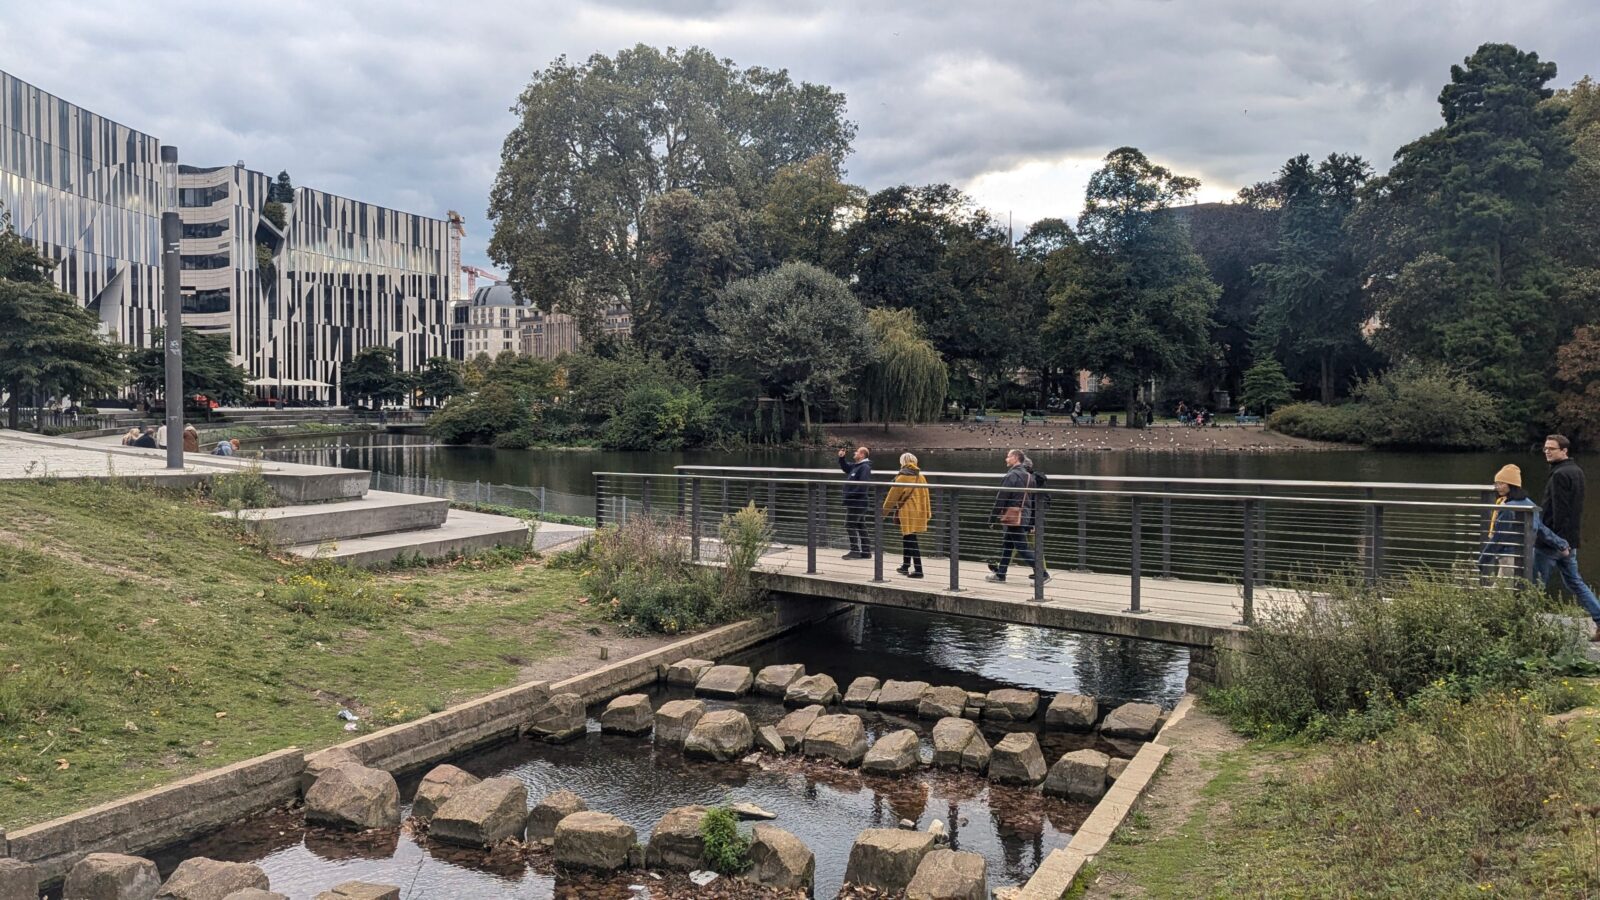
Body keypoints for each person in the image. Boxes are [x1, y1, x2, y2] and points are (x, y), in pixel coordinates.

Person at [1535, 435, 1600, 639]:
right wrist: (1569, 543)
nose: (1547, 451)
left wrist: (1557, 541)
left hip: (1553, 542)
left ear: (1564, 451)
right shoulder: (1576, 471)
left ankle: (1523, 628)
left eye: (1552, 449)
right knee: (1575, 582)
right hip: (1570, 541)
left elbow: (1560, 511)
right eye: (1545, 448)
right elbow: (1575, 511)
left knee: (1534, 585)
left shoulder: (1560, 475)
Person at [1478, 464, 1567, 580]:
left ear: (1511, 485)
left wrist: (1483, 558)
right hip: (1527, 554)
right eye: (1496, 483)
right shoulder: (1528, 504)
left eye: (1501, 483)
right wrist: (1561, 544)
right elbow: (1541, 529)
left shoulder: (1507, 508)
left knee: (1501, 591)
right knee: (1519, 588)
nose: (1497, 487)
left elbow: (1499, 536)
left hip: (1508, 555)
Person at [987, 449, 1051, 586]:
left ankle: (1043, 574)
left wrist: (992, 517)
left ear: (1016, 458)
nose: (1006, 459)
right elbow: (1030, 499)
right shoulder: (1029, 477)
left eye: (1008, 456)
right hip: (1024, 515)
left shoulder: (1011, 476)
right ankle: (1000, 574)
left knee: (1022, 548)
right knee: (1008, 545)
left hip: (1013, 517)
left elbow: (1001, 497)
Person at [881, 452, 930, 578]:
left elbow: (891, 498)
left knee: (911, 539)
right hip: (919, 511)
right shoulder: (921, 476)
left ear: (903, 462)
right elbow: (926, 496)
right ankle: (905, 566)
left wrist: (882, 513)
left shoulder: (902, 477)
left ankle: (919, 570)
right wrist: (928, 512)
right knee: (907, 537)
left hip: (907, 512)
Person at [838, 446, 873, 559]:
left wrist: (850, 494)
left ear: (862, 455)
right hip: (856, 502)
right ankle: (866, 551)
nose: (854, 453)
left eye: (857, 452)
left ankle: (855, 551)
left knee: (849, 525)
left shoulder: (864, 467)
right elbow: (846, 468)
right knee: (860, 525)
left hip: (857, 502)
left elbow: (863, 485)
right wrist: (842, 458)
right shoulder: (857, 466)